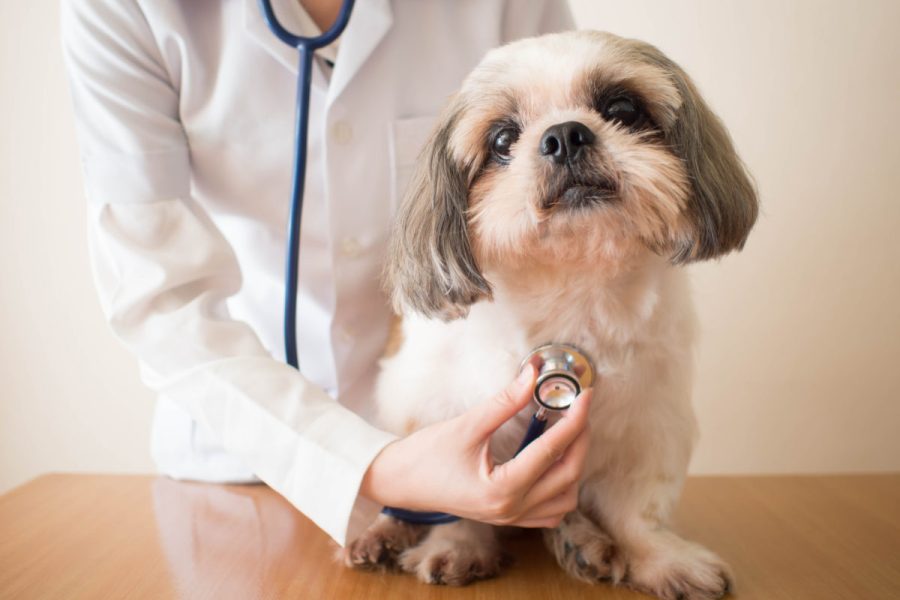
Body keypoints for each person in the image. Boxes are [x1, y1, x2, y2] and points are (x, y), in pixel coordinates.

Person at [61, 0, 590, 546]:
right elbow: (160, 299)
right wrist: (376, 466)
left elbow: (581, 220)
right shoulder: (123, 10)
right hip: (238, 467)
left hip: (489, 465)